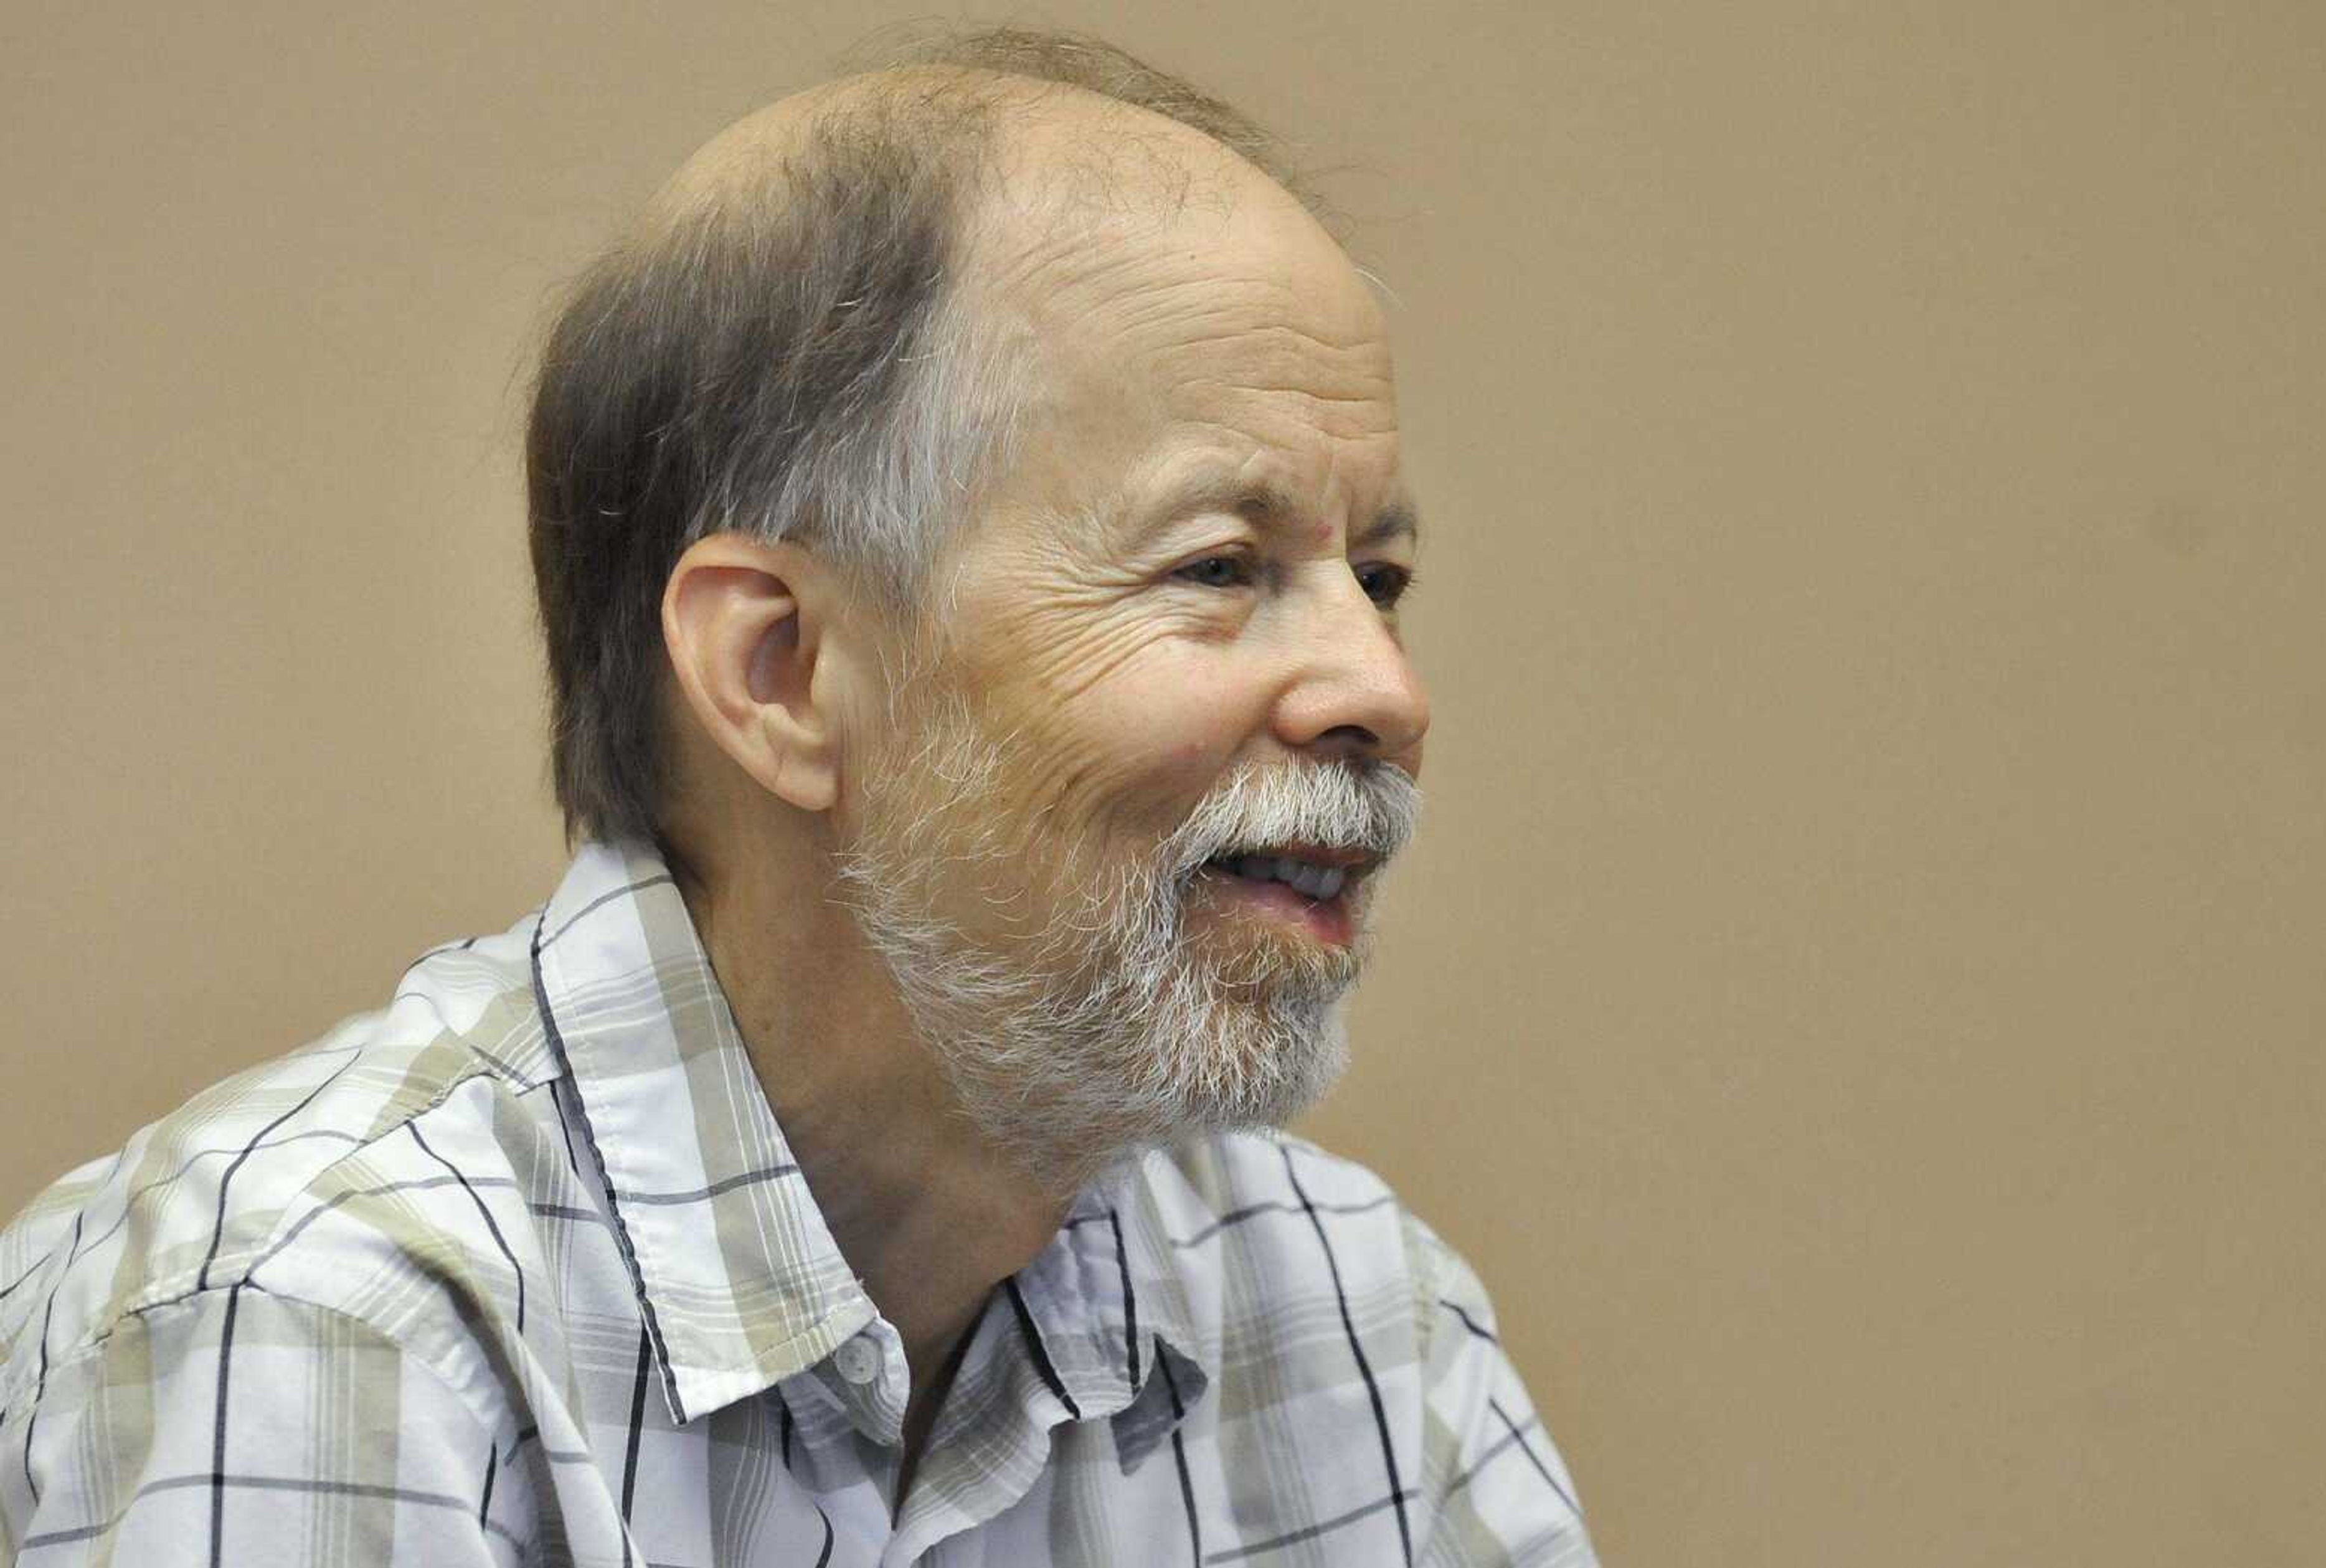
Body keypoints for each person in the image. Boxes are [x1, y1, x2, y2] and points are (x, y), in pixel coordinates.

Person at [0, 28, 1594, 1566]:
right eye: (1219, 567)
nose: (1385, 691)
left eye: (1375, 575)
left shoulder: (1350, 1310)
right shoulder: (333, 1327)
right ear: (778, 670)